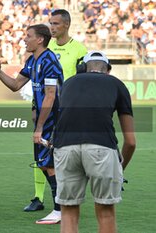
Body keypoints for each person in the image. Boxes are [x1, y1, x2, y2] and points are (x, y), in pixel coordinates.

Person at [53, 51, 136, 233]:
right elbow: (130, 141)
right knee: (106, 212)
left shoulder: (68, 83)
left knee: (68, 212)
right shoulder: (117, 84)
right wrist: (121, 168)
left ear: (83, 68)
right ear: (108, 70)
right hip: (102, 148)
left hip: (65, 148)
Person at [0, 24, 63, 224]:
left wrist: (41, 127)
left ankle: (60, 210)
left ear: (40, 39)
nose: (24, 39)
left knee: (49, 164)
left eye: (28, 36)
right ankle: (63, 206)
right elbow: (16, 85)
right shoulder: (32, 61)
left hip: (54, 120)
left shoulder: (49, 60)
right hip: (44, 120)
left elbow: (51, 96)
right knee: (45, 164)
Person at [24, 9, 87, 213]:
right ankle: (44, 199)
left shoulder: (78, 50)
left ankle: (62, 204)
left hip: (66, 111)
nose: (52, 26)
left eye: (56, 23)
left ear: (66, 25)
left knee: (57, 159)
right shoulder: (40, 54)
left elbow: (82, 81)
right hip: (47, 110)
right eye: (50, 23)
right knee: (45, 159)